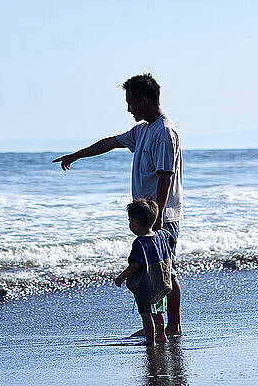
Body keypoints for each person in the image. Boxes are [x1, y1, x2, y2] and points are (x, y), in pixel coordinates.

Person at [53, 73, 183, 335]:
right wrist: (76, 155)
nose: (128, 108)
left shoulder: (164, 132)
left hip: (162, 216)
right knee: (152, 270)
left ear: (144, 100)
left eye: (131, 102)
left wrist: (156, 219)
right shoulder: (143, 130)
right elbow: (111, 142)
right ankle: (157, 326)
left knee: (165, 271)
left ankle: (173, 325)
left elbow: (165, 177)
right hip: (149, 216)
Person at [115, 199, 174, 345]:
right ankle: (161, 335)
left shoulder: (139, 243)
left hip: (147, 287)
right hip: (162, 284)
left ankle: (150, 340)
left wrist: (122, 276)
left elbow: (136, 264)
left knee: (146, 314)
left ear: (135, 223)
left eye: (129, 221)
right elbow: (171, 244)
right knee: (159, 312)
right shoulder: (162, 236)